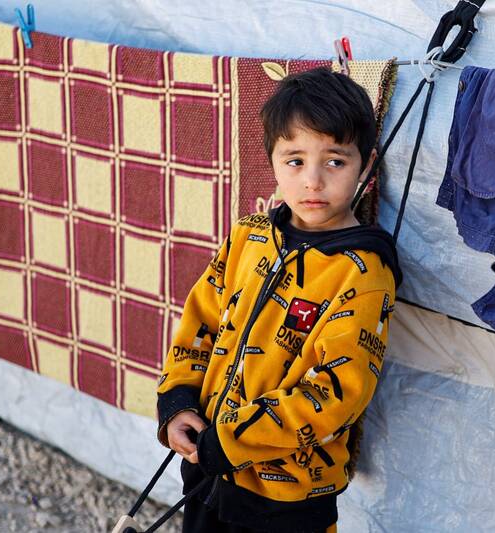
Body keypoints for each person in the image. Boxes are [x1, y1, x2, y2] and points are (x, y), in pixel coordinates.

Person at [156, 67, 402, 533]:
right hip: (207, 469)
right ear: (271, 161)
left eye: (335, 161)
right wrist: (178, 401)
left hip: (288, 498)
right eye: (295, 160)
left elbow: (338, 392)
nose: (313, 181)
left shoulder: (363, 272)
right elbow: (201, 320)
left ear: (367, 167)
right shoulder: (248, 237)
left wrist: (234, 439)